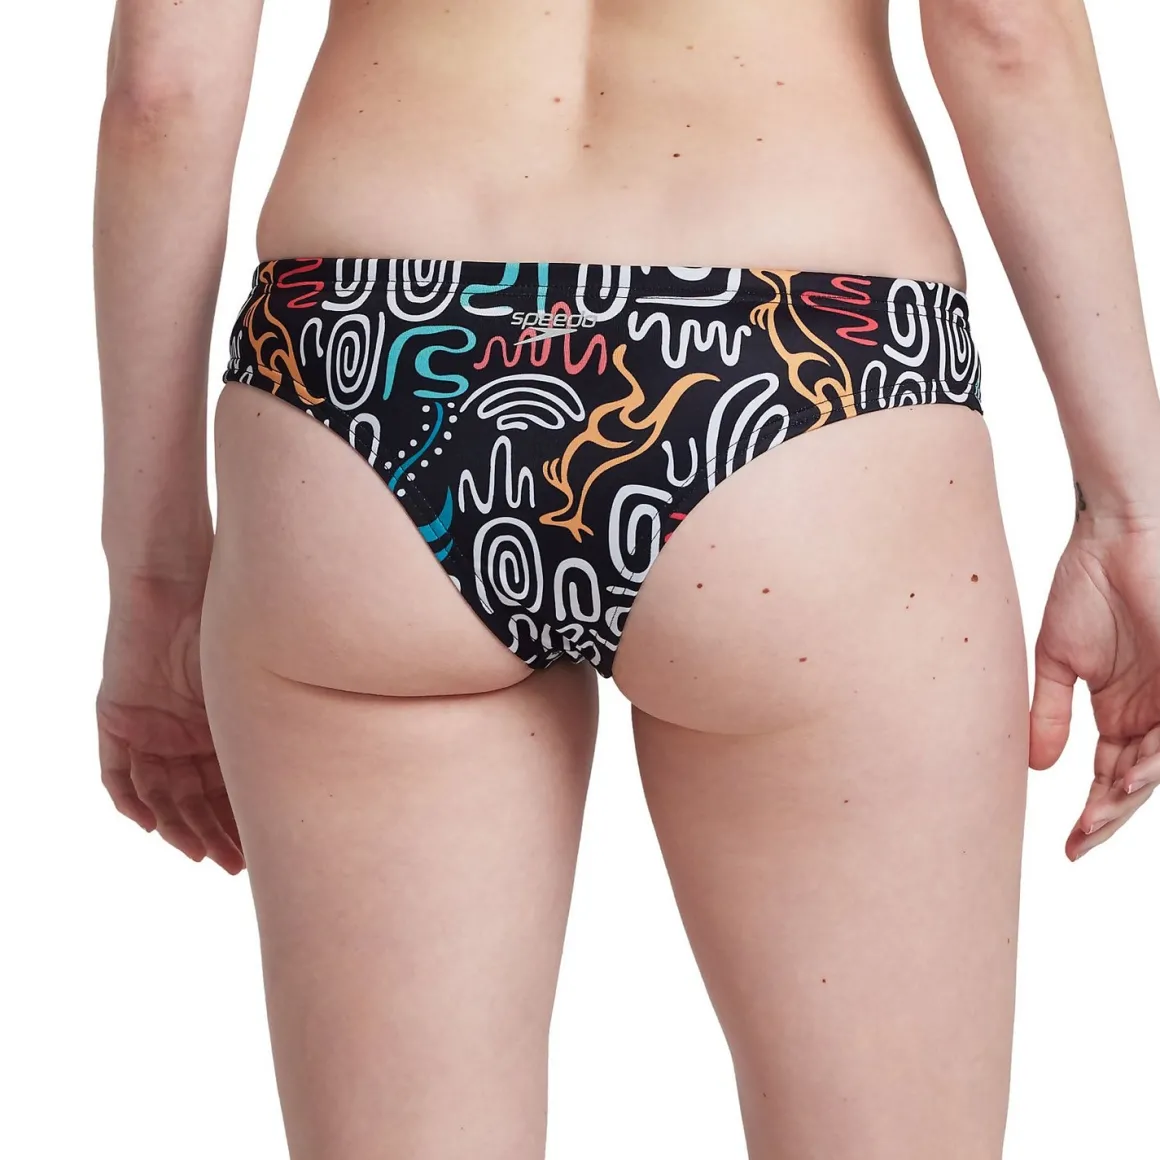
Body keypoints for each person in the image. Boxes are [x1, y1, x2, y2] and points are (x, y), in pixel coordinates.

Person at [93, 1, 1160, 1156]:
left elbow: (163, 92)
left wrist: (154, 583)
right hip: (793, 360)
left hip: (370, 360)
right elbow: (1002, 27)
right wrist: (1130, 510)